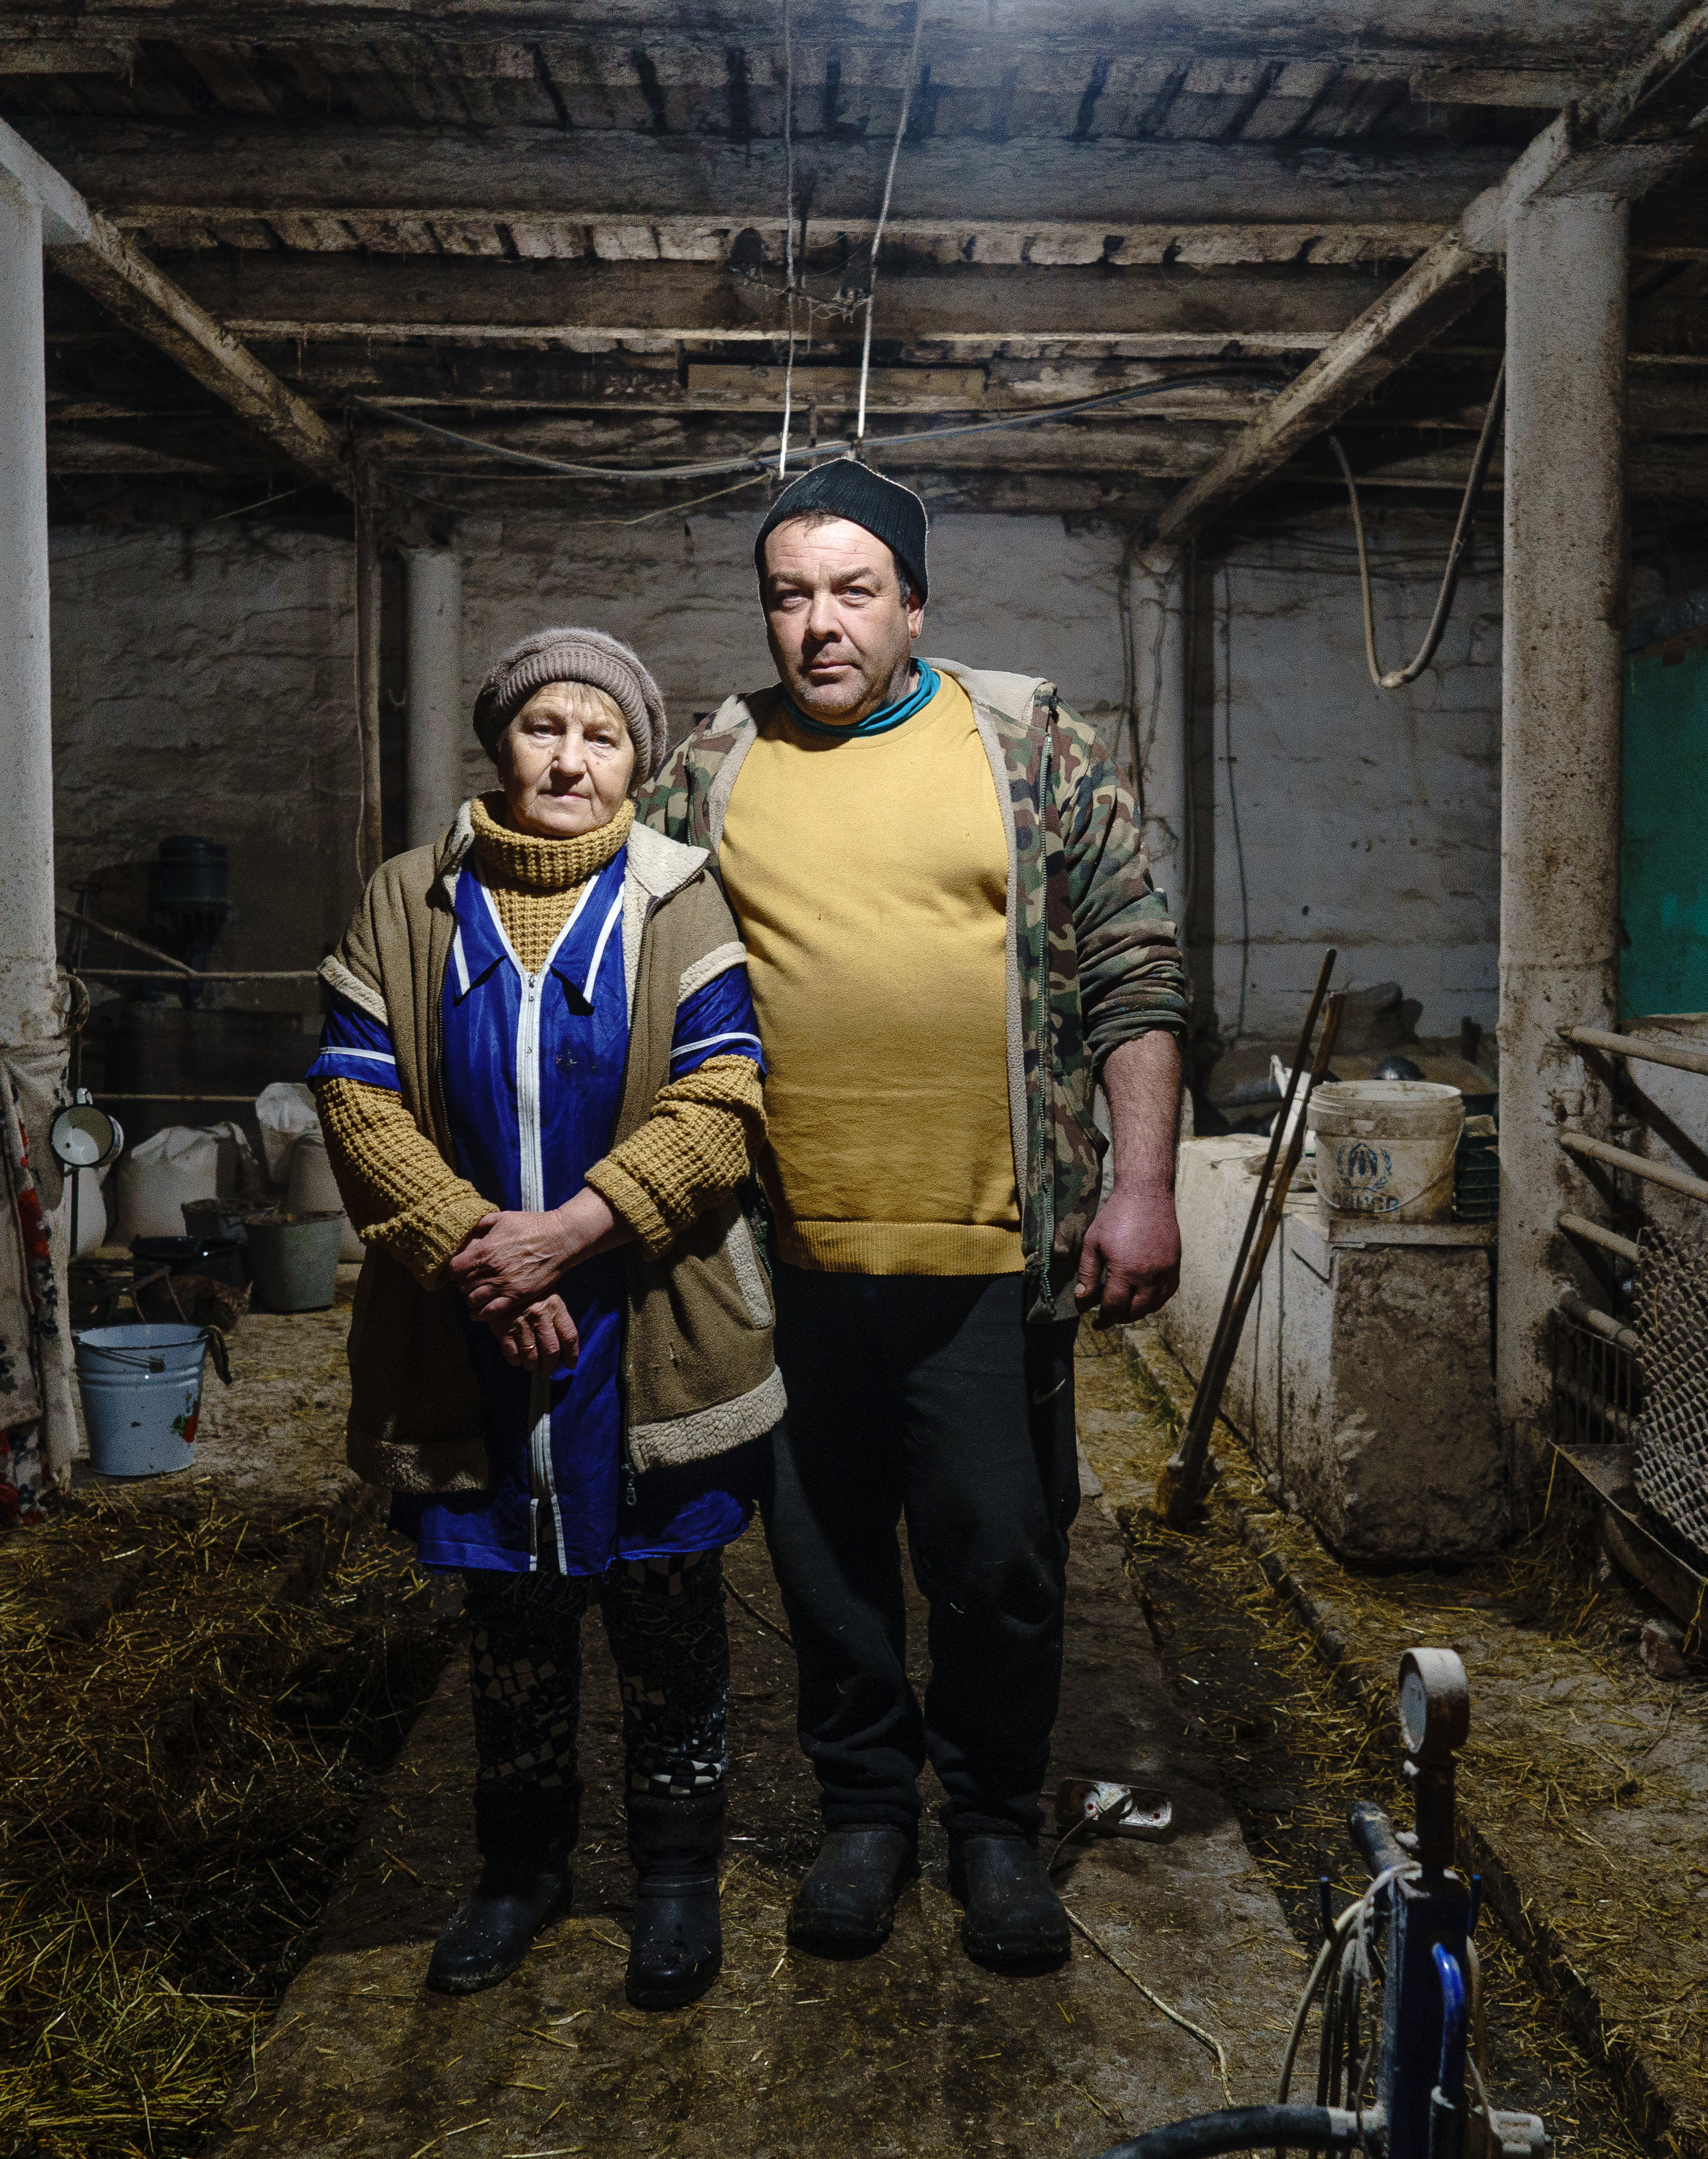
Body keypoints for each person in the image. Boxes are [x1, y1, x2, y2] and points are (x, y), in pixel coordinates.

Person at [637, 459, 1187, 1973]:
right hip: (786, 1258)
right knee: (824, 1565)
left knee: (1003, 1560)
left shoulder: (1023, 741)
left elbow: (1136, 964)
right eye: (791, 594)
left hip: (989, 1252)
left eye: (853, 590)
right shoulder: (714, 765)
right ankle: (866, 1812)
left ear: (914, 602)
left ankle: (996, 1823)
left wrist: (1143, 1186)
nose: (820, 625)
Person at [311, 626, 778, 2011]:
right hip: (473, 1326)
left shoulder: (679, 896)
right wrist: (477, 1254)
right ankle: (519, 1870)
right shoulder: (410, 901)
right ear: (501, 744)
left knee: (667, 1604)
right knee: (511, 1616)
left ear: (637, 759)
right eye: (544, 728)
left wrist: (572, 1237)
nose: (570, 758)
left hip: (644, 1317)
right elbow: (355, 1093)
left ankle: (677, 1878)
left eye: (602, 734)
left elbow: (725, 1098)